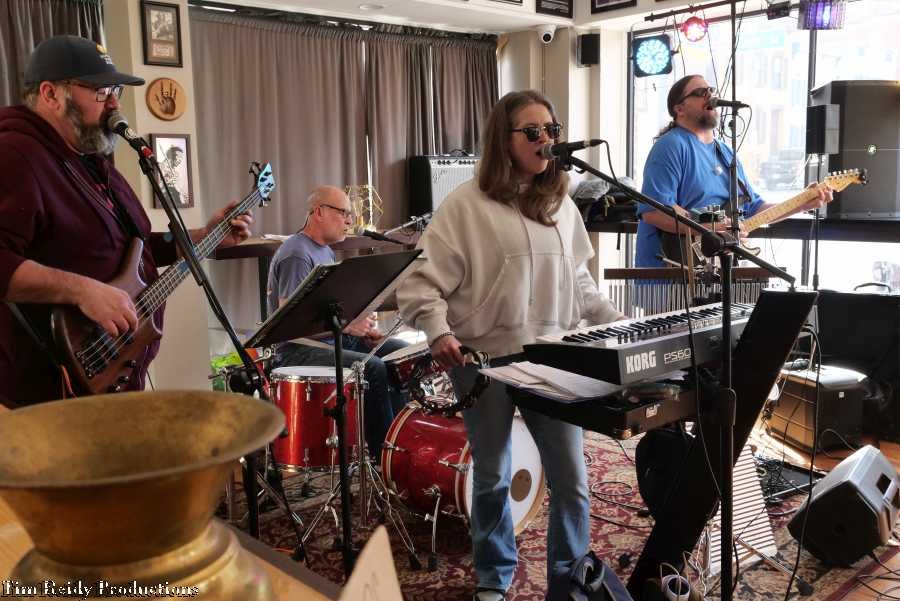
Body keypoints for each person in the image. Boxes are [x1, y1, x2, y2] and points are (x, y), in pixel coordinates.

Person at [396, 90, 625, 601]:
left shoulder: (561, 206)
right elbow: (419, 283)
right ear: (504, 140)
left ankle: (568, 582)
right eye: (533, 131)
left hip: (552, 358)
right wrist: (438, 330)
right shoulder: (465, 205)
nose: (546, 139)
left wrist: (619, 324)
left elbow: (580, 283)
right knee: (492, 474)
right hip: (484, 360)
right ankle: (493, 577)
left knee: (571, 479)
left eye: (552, 130)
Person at [0, 36, 252, 407]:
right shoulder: (14, 155)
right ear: (51, 94)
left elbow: (131, 247)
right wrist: (82, 291)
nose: (115, 103)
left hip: (108, 378)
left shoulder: (87, 160)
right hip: (49, 393)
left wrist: (205, 236)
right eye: (101, 91)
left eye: (115, 90)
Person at [266, 185, 408, 460]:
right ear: (319, 212)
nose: (349, 221)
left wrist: (360, 327)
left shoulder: (325, 251)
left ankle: (400, 444)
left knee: (399, 354)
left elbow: (328, 310)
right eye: (344, 213)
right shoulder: (297, 253)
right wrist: (347, 326)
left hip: (332, 340)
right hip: (298, 349)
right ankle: (385, 457)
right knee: (374, 368)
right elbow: (291, 322)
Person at [637, 74, 832, 268]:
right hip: (670, 271)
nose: (710, 95)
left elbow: (754, 209)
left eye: (711, 90)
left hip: (715, 269)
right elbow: (654, 212)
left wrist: (802, 202)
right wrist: (710, 229)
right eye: (701, 92)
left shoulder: (726, 153)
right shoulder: (671, 146)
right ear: (679, 109)